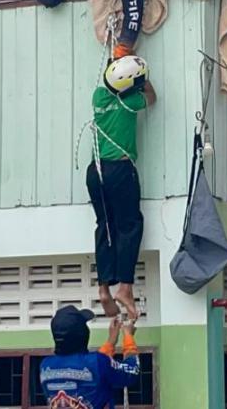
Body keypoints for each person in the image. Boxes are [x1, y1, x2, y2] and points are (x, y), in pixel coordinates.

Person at [86, 55, 156, 320]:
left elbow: (112, 82)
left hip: (95, 171)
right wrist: (142, 77)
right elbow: (152, 97)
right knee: (129, 226)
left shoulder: (98, 97)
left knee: (105, 226)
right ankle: (125, 287)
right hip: (120, 169)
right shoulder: (131, 103)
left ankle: (103, 287)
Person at [40, 305, 139, 408]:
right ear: (82, 333)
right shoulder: (98, 362)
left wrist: (111, 342)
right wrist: (128, 336)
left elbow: (93, 368)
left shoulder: (45, 366)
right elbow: (132, 371)